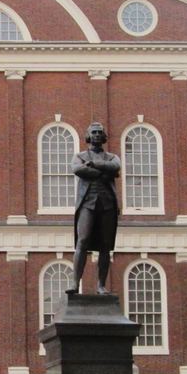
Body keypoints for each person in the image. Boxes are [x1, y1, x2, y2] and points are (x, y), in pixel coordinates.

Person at [71, 122, 120, 294]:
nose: (97, 135)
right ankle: (75, 284)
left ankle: (100, 285)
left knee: (105, 246)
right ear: (89, 136)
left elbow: (116, 167)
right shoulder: (80, 155)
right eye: (94, 132)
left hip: (107, 204)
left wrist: (93, 165)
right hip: (88, 203)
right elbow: (77, 169)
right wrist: (103, 172)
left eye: (100, 132)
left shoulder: (112, 156)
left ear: (104, 136)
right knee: (82, 241)